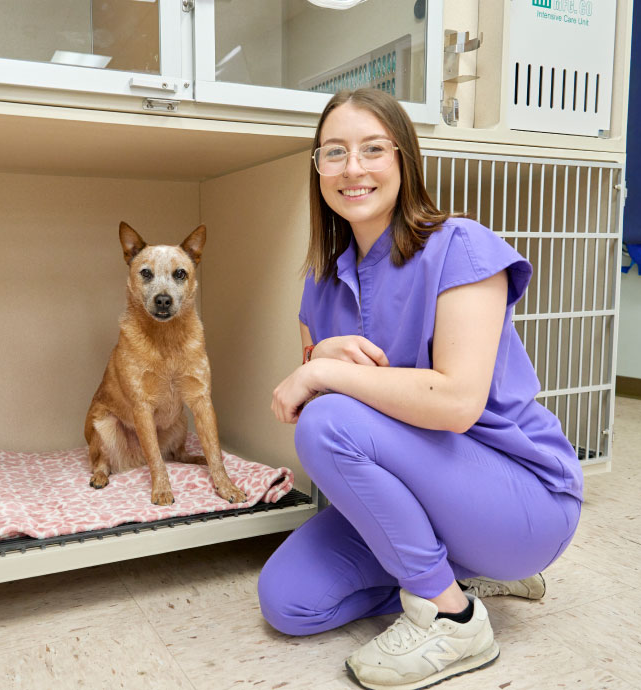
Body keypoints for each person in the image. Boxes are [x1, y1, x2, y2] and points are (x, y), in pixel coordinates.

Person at [258, 88, 583, 690]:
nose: (352, 168)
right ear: (317, 170)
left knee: (328, 422)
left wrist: (322, 370)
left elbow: (456, 403)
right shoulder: (319, 285)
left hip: (522, 497)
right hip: (428, 496)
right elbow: (304, 401)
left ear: (404, 159)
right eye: (334, 153)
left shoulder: (460, 246)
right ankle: (462, 575)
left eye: (372, 149)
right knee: (288, 603)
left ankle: (452, 617)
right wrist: (320, 355)